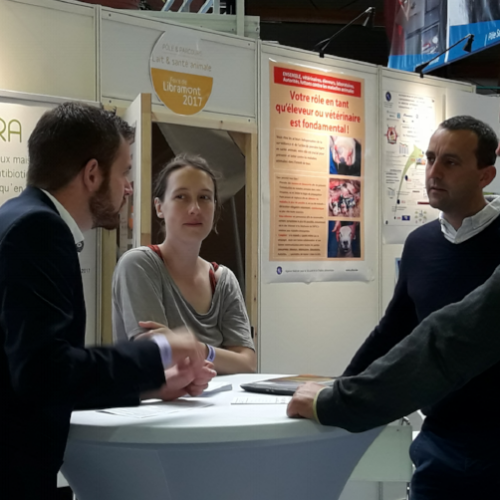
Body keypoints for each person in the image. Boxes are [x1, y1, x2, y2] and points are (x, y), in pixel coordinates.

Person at [0, 102, 215, 500]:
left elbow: (40, 373)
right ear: (92, 174)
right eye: (124, 172)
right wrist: (160, 349)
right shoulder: (39, 229)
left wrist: (151, 385)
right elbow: (42, 371)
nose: (129, 187)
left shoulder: (19, 218)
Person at [289, 115, 500, 499]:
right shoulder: (420, 244)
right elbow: (393, 330)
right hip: (441, 443)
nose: (434, 172)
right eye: (430, 159)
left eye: (451, 162)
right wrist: (340, 389)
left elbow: (449, 341)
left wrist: (341, 402)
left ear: (486, 175)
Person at [112, 154, 256, 374]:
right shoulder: (139, 265)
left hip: (220, 397)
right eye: (181, 196)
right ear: (159, 207)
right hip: (159, 397)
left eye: (204, 197)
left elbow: (247, 365)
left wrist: (195, 348)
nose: (195, 208)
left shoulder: (223, 280)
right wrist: (221, 356)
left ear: (215, 207)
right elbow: (158, 358)